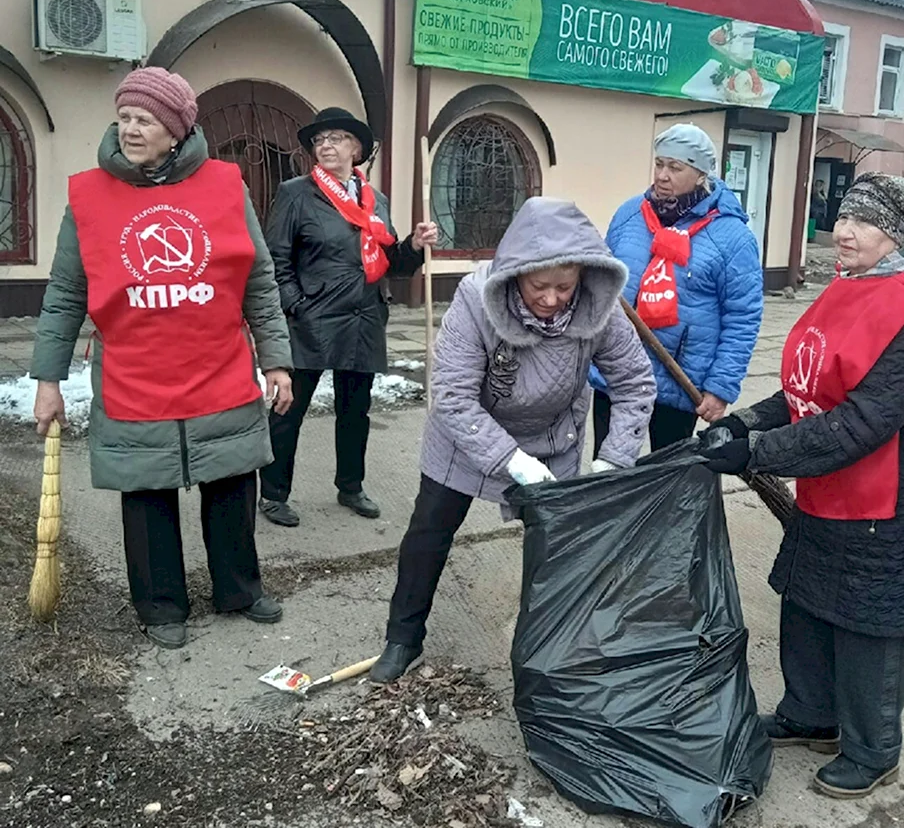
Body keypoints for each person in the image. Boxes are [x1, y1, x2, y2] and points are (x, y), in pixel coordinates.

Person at [698, 173, 904, 799]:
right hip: (837, 469)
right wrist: (741, 423)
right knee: (807, 594)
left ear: (897, 235)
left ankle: (873, 749)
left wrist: (757, 453)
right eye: (843, 218)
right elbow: (808, 389)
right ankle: (813, 715)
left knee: (871, 616)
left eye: (862, 223)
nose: (843, 232)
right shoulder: (850, 282)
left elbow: (865, 419)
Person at [30, 67, 294, 650]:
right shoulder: (89, 193)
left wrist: (276, 359)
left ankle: (240, 590)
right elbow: (67, 294)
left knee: (230, 484)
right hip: (135, 377)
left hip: (217, 369)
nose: (129, 128)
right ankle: (160, 605)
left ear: (176, 129)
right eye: (123, 117)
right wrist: (48, 378)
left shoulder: (227, 185)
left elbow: (259, 280)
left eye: (144, 119)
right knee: (146, 494)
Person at [370, 197, 658, 682]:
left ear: (583, 277)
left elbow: (635, 384)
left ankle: (548, 647)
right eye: (538, 285)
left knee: (556, 548)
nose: (550, 299)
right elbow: (454, 397)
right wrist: (511, 460)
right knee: (428, 532)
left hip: (553, 438)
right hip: (468, 437)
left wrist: (613, 460)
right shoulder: (474, 299)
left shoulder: (597, 307)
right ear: (514, 274)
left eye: (564, 286)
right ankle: (402, 638)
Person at [258, 107, 438, 526]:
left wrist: (413, 243)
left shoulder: (376, 201)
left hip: (364, 319)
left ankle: (350, 486)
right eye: (320, 140)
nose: (326, 146)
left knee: (355, 411)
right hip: (310, 321)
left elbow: (391, 263)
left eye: (336, 138)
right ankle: (273, 492)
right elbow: (274, 261)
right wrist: (297, 305)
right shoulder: (295, 194)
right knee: (289, 410)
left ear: (356, 148)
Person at [590, 123, 762, 457]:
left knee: (665, 480)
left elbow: (742, 317)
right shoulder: (630, 215)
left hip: (678, 379)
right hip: (617, 374)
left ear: (700, 174)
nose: (662, 175)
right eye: (659, 164)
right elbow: (601, 288)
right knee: (606, 471)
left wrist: (720, 387)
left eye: (675, 167)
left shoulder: (731, 237)